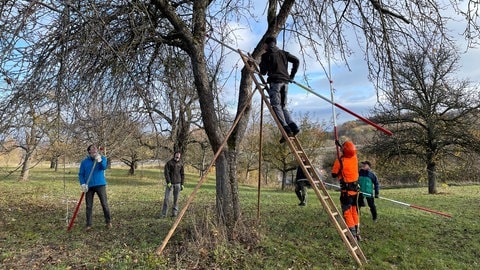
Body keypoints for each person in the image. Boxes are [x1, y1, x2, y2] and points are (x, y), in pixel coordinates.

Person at [259, 36, 300, 143]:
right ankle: (293, 127)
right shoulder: (283, 53)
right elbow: (296, 61)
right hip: (285, 83)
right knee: (283, 106)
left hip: (275, 83)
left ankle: (286, 129)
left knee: (276, 106)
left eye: (264, 44)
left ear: (267, 44)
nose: (263, 46)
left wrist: (260, 64)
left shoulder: (266, 55)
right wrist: (291, 76)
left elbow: (263, 72)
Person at [331, 140, 361, 241]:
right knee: (354, 212)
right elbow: (348, 153)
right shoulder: (354, 158)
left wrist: (339, 158)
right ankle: (357, 233)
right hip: (355, 191)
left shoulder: (340, 161)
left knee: (347, 213)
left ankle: (352, 235)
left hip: (346, 193)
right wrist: (340, 146)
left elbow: (334, 174)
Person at [78, 144, 111, 231]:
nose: (95, 149)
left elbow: (103, 167)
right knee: (89, 206)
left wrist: (99, 160)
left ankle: (108, 222)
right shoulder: (84, 162)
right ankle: (89, 224)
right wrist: (83, 184)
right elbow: (81, 174)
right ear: (89, 151)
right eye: (92, 148)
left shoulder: (102, 158)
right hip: (89, 186)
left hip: (100, 184)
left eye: (96, 148)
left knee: (104, 204)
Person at [161, 152, 185, 218]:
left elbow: (182, 174)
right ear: (174, 155)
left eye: (179, 157)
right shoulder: (169, 163)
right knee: (166, 199)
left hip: (178, 184)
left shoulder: (181, 163)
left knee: (176, 199)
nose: (178, 158)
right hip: (170, 184)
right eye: (177, 157)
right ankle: (163, 214)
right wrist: (168, 182)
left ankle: (174, 213)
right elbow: (166, 173)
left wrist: (182, 184)